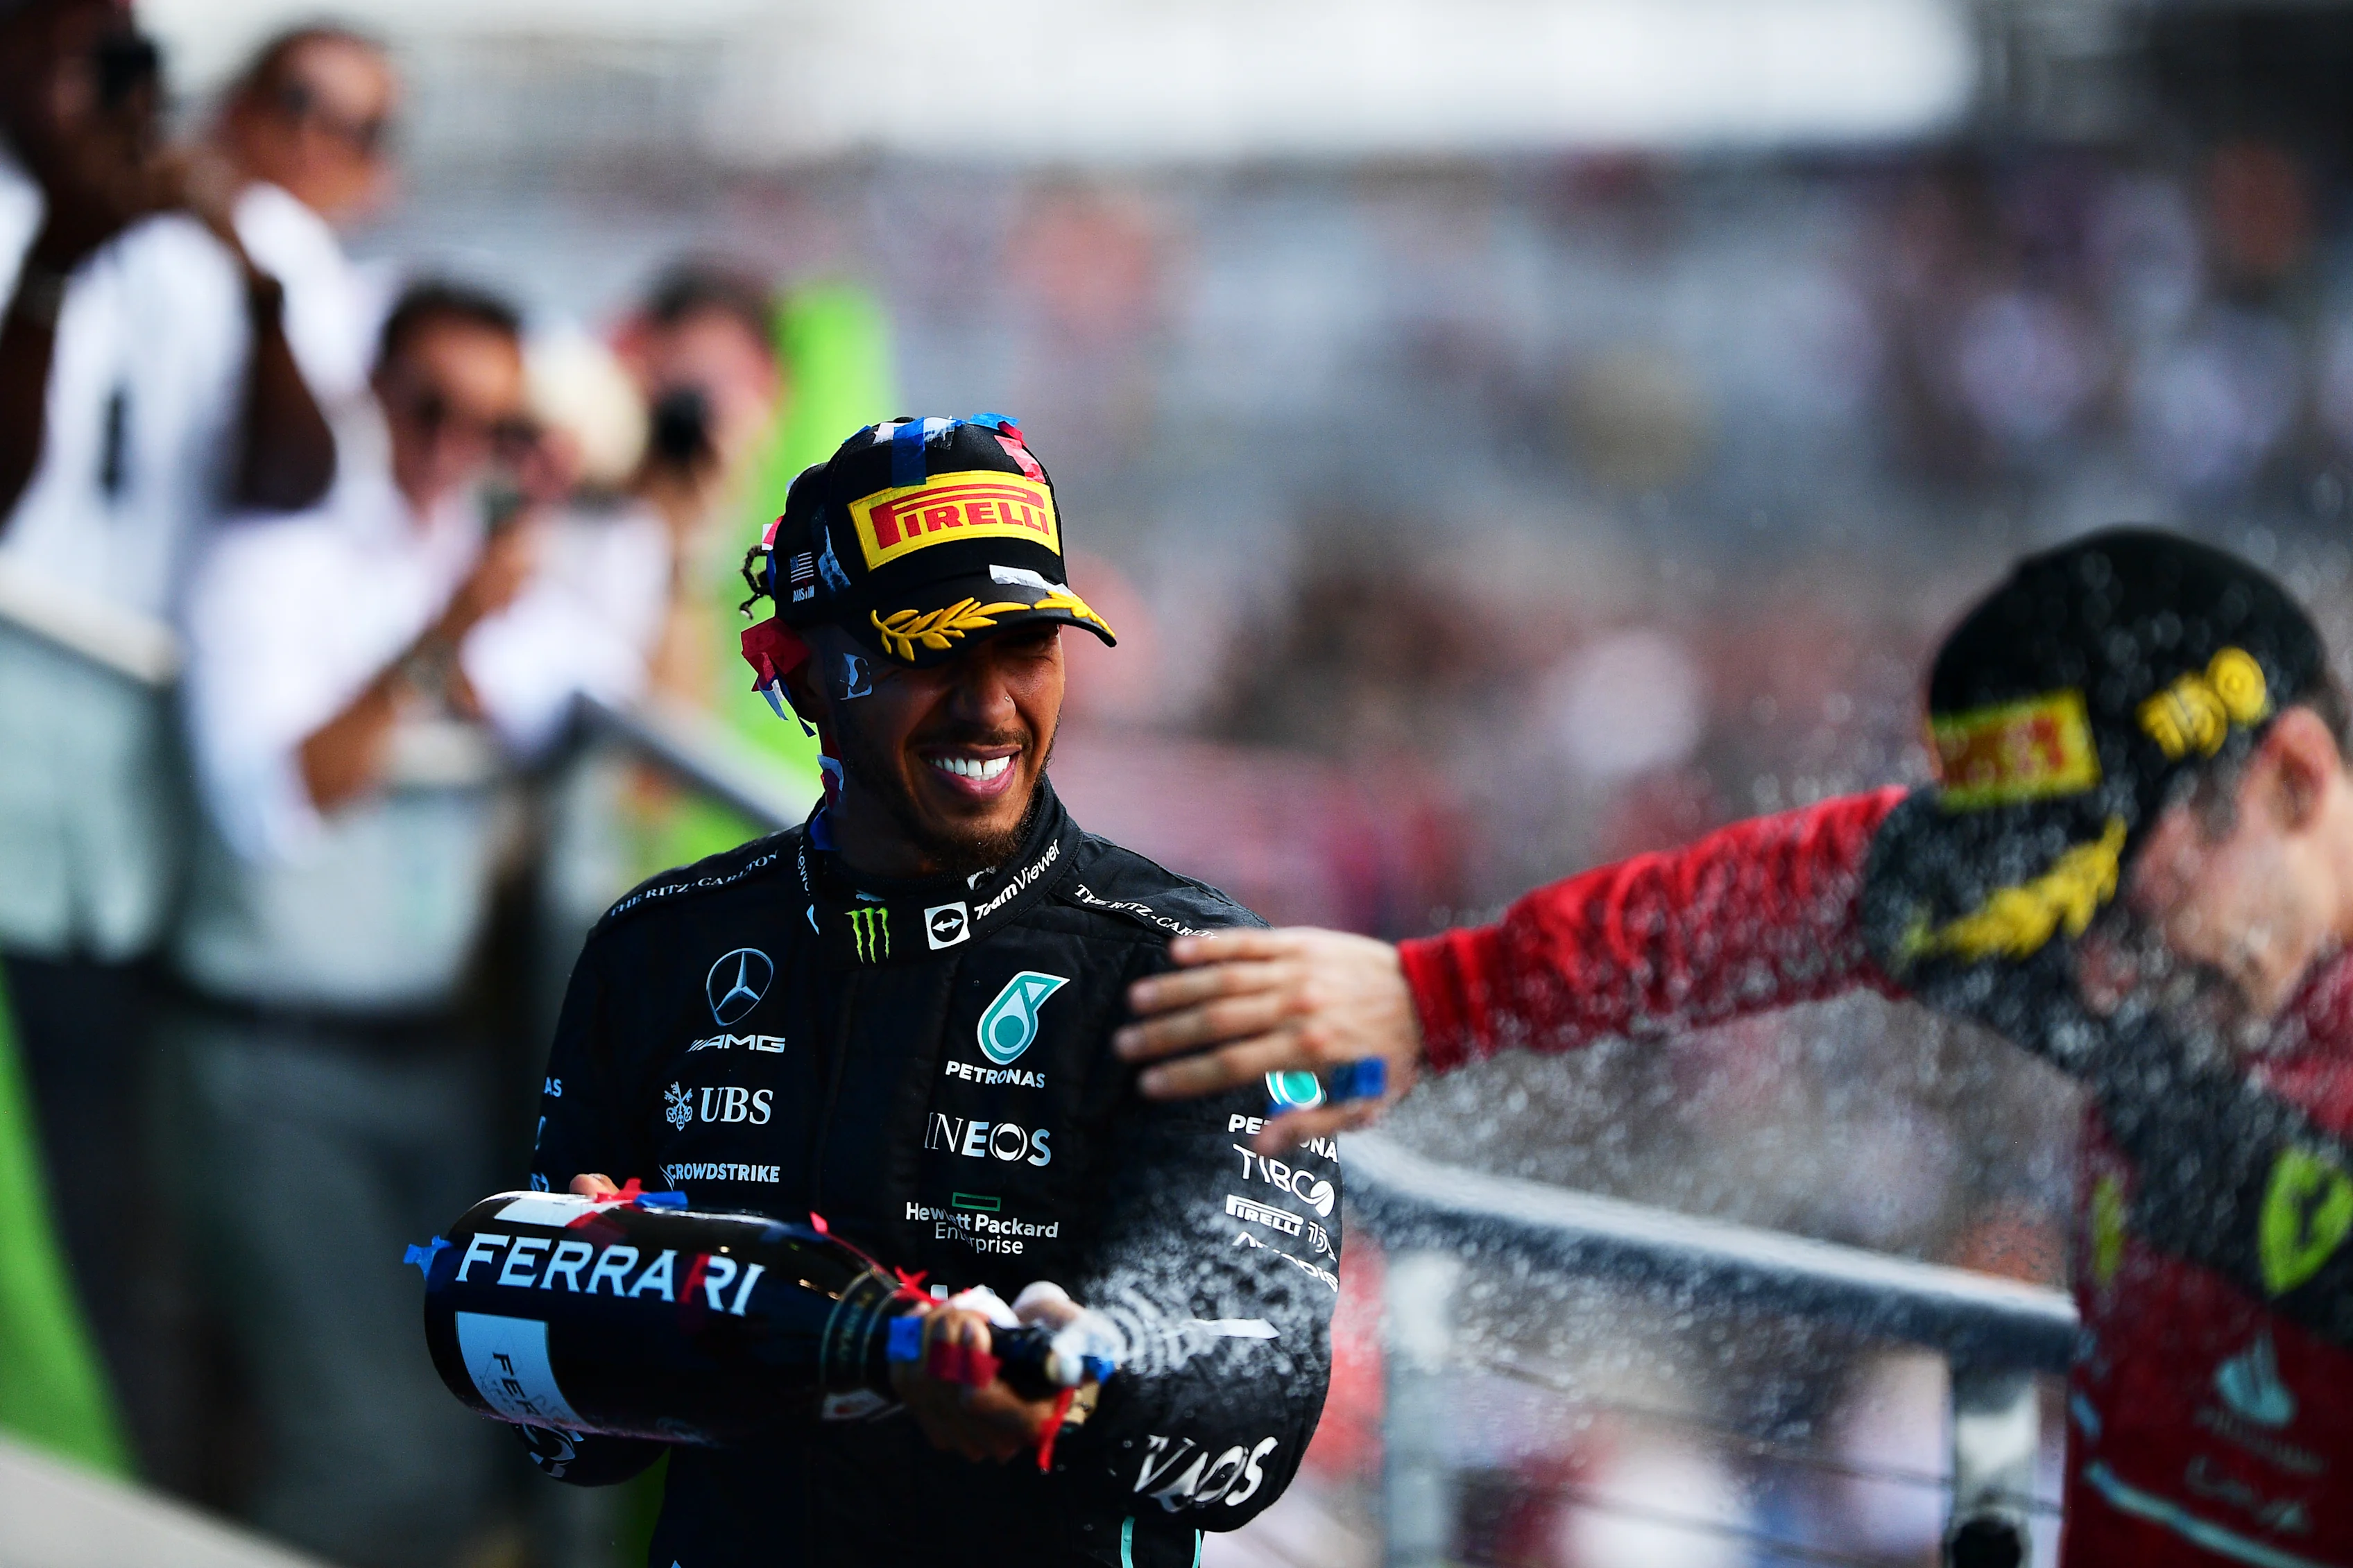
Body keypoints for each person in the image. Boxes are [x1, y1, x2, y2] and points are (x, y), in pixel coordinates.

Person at [1118, 528, 2353, 1565]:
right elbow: (1784, 898)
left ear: (2294, 779)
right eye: (2056, 913)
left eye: (2124, 908)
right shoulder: (2137, 945)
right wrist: (1435, 999)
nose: (2085, 972)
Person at [524, 415, 1337, 1567]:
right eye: (927, 647)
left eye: (1026, 647)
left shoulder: (1200, 975)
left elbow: (1254, 1418)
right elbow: (565, 1448)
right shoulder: (657, 948)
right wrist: (597, 1309)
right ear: (804, 669)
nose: (990, 705)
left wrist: (1084, 1376)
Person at [166, 282, 624, 1567]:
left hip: (427, 1064)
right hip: (270, 1062)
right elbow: (274, 807)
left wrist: (634, 526)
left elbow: (612, 723)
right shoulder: (276, 558)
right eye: (430, 405)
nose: (452, 443)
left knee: (478, 1432)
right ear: (373, 393)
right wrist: (444, 639)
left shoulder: (493, 574)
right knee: (376, 1452)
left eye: (492, 421)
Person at [0, 0, 332, 1477]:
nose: (111, 90)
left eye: (130, 61)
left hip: (121, 836)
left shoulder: (200, 252)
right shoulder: (28, 224)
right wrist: (60, 258)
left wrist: (250, 278)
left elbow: (292, 474)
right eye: (79, 55)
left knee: (111, 1192)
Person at [204, 24, 400, 417]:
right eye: (297, 103)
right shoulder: (275, 236)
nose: (316, 137)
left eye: (369, 131)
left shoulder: (292, 247)